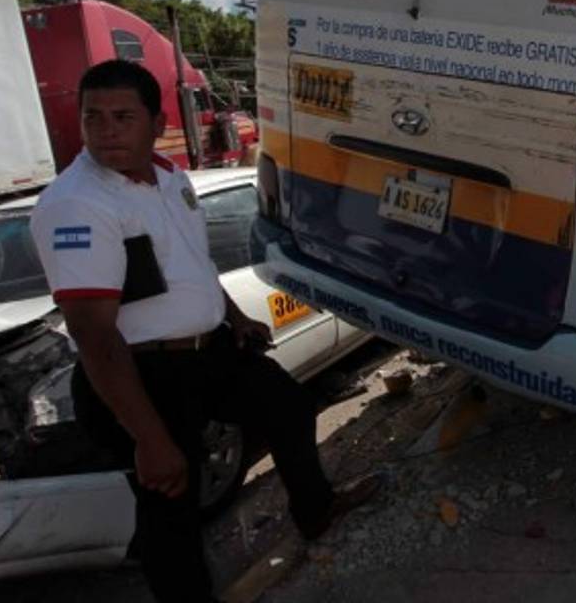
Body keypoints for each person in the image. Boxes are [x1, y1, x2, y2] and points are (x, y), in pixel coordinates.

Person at [30, 60, 379, 602]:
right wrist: (149, 437)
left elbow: (189, 263)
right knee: (170, 502)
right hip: (139, 373)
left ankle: (315, 510)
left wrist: (234, 318)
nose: (106, 130)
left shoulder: (170, 177)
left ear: (157, 120)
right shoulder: (78, 202)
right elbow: (94, 335)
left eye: (123, 116)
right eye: (92, 118)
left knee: (287, 406)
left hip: (207, 352)